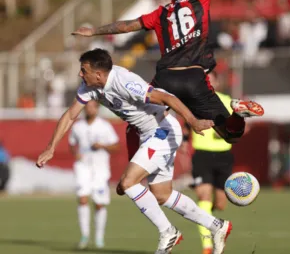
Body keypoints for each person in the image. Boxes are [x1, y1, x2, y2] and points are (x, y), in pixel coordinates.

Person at [36, 49, 231, 254]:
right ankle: (217, 226)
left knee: (129, 183)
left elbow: (167, 98)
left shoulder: (124, 81)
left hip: (162, 130)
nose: (79, 75)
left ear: (99, 74)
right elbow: (69, 116)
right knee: (162, 195)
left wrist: (193, 122)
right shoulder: (89, 87)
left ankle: (168, 232)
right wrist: (51, 148)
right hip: (148, 135)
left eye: (83, 70)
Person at [72, 0, 264, 146]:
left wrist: (94, 31)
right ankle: (238, 115)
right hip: (194, 77)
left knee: (136, 122)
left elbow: (126, 26)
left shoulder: (160, 13)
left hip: (166, 78)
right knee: (231, 136)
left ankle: (136, 174)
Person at [181, 72, 235, 254]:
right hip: (202, 155)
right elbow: (185, 123)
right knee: (204, 196)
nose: (210, 82)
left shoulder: (228, 101)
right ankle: (207, 247)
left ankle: (206, 217)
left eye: (213, 79)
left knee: (220, 203)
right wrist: (184, 139)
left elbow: (239, 125)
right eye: (206, 80)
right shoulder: (195, 101)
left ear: (218, 82)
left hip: (223, 156)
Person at [69, 100, 120, 249]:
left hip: (100, 168)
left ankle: (99, 237)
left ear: (97, 109)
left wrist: (102, 146)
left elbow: (116, 146)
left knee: (99, 202)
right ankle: (84, 235)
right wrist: (76, 154)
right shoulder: (78, 126)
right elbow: (72, 143)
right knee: (83, 198)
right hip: (83, 167)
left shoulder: (105, 126)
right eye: (88, 106)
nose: (90, 109)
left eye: (93, 106)